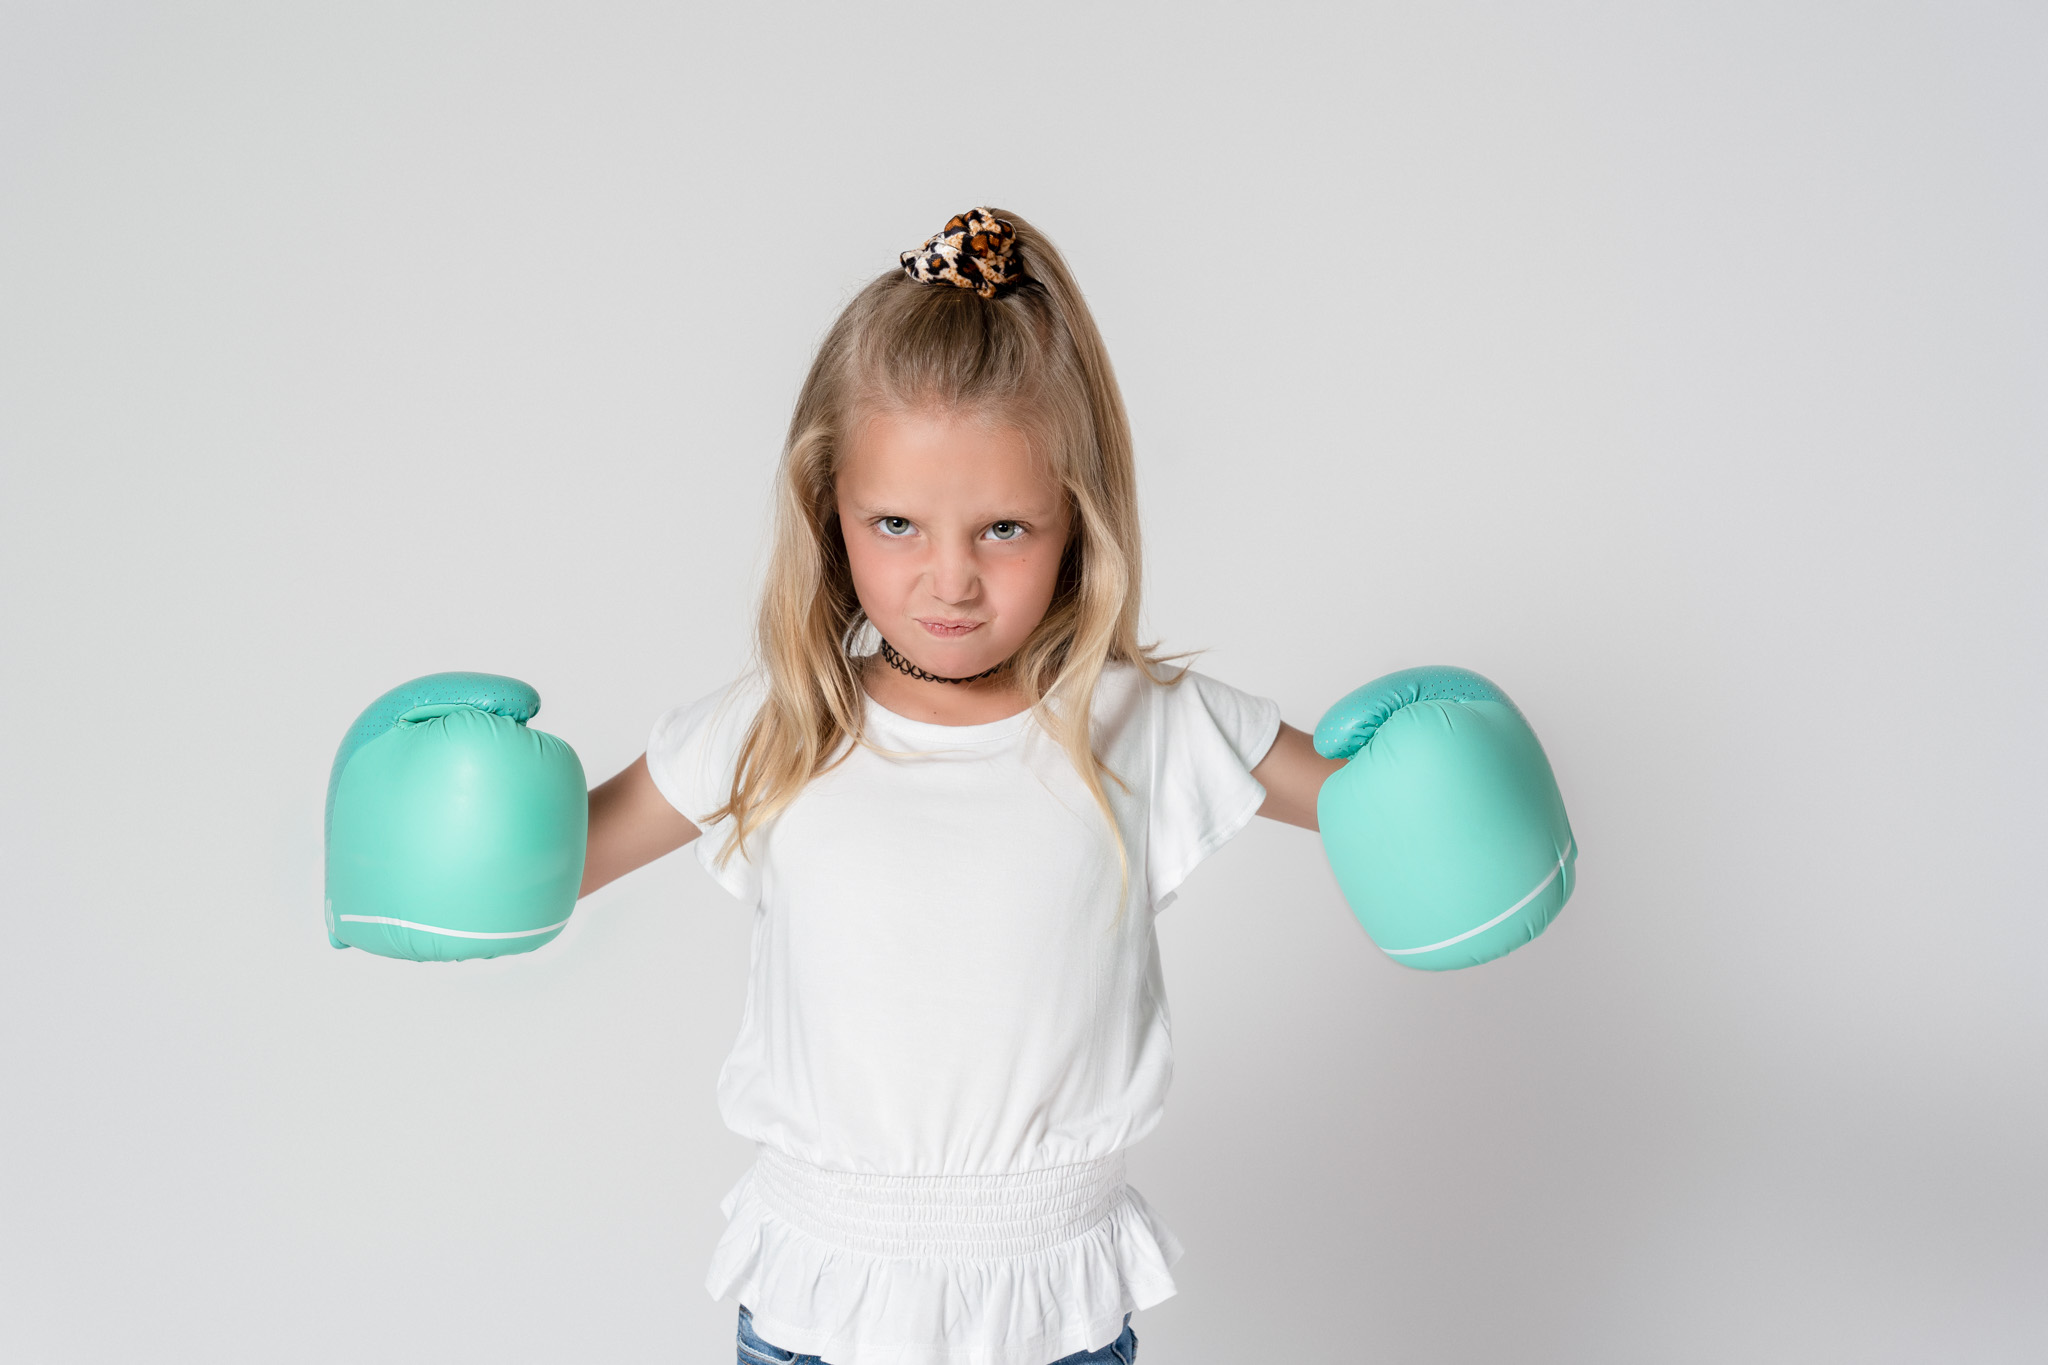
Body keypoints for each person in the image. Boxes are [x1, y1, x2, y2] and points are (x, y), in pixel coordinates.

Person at [577, 208, 1343, 1365]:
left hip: (1056, 1317)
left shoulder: (1141, 724)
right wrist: (457, 821)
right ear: (826, 514)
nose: (950, 581)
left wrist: (1443, 779)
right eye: (894, 523)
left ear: (1076, 523)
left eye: (1002, 528)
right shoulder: (777, 727)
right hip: (814, 1317)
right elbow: (558, 860)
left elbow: (1368, 812)